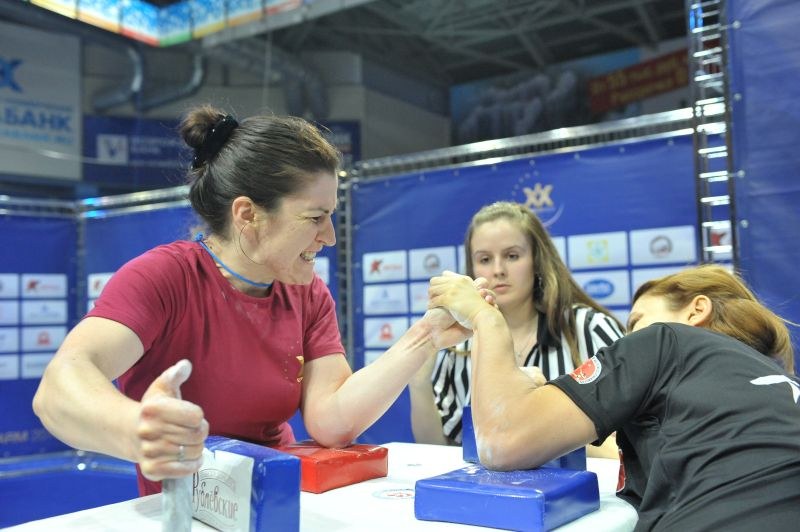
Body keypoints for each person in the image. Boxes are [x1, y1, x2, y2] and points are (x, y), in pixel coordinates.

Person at [32, 105, 472, 496]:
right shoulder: (164, 276)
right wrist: (138, 430)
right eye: (315, 218)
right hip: (186, 512)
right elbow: (58, 388)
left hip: (280, 501)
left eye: (331, 217)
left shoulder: (308, 294)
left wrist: (426, 336)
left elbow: (332, 422)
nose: (331, 236)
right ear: (248, 214)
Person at [428, 264, 800, 530]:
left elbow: (502, 442)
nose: (627, 339)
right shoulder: (767, 388)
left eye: (635, 322)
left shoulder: (668, 340)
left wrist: (486, 318)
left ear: (696, 310)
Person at [409, 201, 625, 455]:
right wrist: (419, 381)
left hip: (587, 493)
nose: (498, 270)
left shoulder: (591, 329)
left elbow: (630, 447)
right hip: (489, 494)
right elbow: (436, 450)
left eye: (512, 256)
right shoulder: (459, 343)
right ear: (472, 269)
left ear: (537, 261)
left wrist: (542, 416)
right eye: (485, 259)